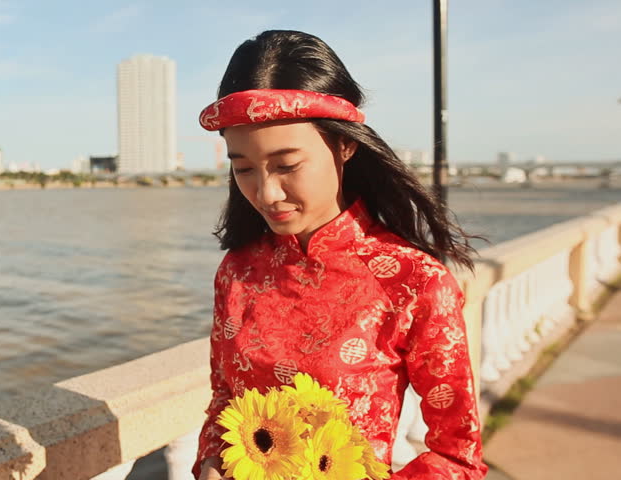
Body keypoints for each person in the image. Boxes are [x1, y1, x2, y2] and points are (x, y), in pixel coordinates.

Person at [194, 30, 488, 479]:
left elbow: (456, 456)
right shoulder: (237, 271)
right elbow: (223, 401)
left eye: (287, 165)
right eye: (244, 169)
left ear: (345, 145)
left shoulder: (413, 282)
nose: (267, 192)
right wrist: (211, 461)